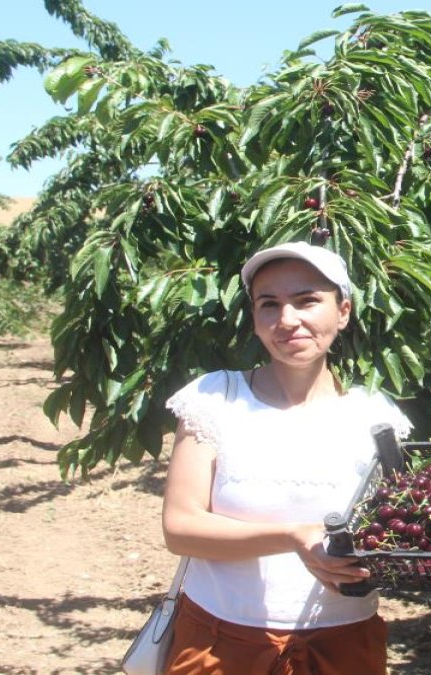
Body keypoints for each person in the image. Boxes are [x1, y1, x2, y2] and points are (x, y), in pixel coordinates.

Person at [160, 241, 411, 674]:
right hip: (220, 645)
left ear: (344, 311)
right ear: (255, 318)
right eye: (269, 304)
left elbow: (397, 530)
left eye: (307, 300)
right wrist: (294, 537)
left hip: (343, 644)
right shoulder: (216, 397)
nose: (287, 320)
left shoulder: (377, 415)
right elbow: (180, 527)